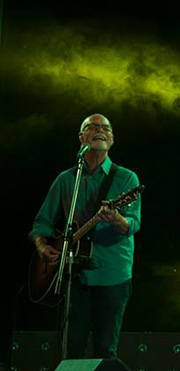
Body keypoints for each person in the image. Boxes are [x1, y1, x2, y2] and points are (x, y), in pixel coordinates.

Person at [31, 113, 141, 359]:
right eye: (92, 127)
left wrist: (117, 218)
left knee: (105, 349)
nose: (100, 130)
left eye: (106, 128)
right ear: (82, 137)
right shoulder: (66, 179)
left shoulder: (126, 178)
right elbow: (42, 223)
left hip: (112, 273)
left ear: (112, 139)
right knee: (72, 348)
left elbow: (133, 224)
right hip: (74, 276)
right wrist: (42, 247)